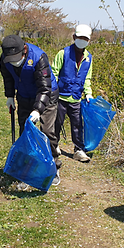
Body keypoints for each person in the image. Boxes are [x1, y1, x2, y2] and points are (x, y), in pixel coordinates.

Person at [0, 34, 61, 187]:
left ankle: (54, 165)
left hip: (47, 95)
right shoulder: (5, 59)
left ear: (24, 50)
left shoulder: (39, 57)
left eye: (16, 57)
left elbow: (44, 87)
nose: (13, 61)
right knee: (25, 132)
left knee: (47, 131)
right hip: (23, 95)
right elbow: (7, 78)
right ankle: (27, 169)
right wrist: (9, 96)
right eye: (10, 58)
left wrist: (38, 110)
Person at [51, 24, 94, 163]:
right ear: (74, 37)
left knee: (77, 124)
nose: (82, 40)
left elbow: (87, 77)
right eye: (79, 37)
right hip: (61, 96)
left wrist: (88, 93)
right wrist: (52, 92)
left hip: (76, 98)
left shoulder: (88, 58)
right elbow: (54, 73)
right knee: (57, 123)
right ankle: (54, 146)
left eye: (85, 38)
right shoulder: (63, 53)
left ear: (88, 41)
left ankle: (79, 150)